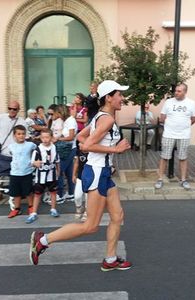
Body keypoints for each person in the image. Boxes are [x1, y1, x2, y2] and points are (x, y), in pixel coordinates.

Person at [29, 80, 132, 272]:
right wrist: (115, 150)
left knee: (117, 216)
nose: (122, 98)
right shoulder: (106, 119)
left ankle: (110, 259)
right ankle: (42, 241)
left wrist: (109, 155)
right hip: (97, 172)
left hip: (104, 172)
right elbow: (86, 146)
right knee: (90, 226)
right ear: (108, 98)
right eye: (119, 95)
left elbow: (80, 137)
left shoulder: (101, 117)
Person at [154, 83, 195, 190]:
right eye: (176, 91)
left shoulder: (191, 103)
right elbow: (162, 117)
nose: (176, 93)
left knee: (183, 158)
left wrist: (184, 126)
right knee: (164, 157)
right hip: (169, 134)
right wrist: (171, 126)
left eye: (179, 91)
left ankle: (183, 180)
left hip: (184, 135)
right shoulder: (168, 102)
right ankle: (160, 179)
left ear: (185, 92)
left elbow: (193, 119)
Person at [26, 129, 60, 224]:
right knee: (37, 194)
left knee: (53, 192)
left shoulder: (54, 147)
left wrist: (58, 171)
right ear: (40, 138)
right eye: (43, 137)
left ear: (51, 138)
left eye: (47, 137)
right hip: (41, 176)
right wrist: (35, 163)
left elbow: (57, 160)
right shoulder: (37, 149)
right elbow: (32, 162)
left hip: (52, 175)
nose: (45, 139)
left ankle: (53, 209)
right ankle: (34, 212)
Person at [7, 125, 37, 218]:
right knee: (16, 193)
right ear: (14, 135)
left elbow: (37, 150)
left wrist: (34, 161)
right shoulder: (11, 146)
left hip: (27, 172)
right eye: (19, 134)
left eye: (23, 134)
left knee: (28, 191)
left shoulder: (30, 145)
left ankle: (31, 207)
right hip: (15, 173)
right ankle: (17, 209)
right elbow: (11, 155)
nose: (21, 136)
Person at [55, 105, 78, 203]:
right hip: (69, 148)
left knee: (59, 171)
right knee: (69, 172)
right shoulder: (67, 121)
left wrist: (58, 139)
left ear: (61, 112)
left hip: (68, 149)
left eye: (57, 113)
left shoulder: (70, 121)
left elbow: (71, 137)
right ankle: (71, 193)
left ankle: (59, 195)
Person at [72, 140, 88, 220]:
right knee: (77, 196)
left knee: (87, 196)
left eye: (81, 143)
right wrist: (74, 174)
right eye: (78, 143)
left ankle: (87, 210)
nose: (79, 144)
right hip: (80, 176)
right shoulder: (79, 151)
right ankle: (79, 207)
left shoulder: (92, 153)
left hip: (89, 177)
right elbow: (76, 163)